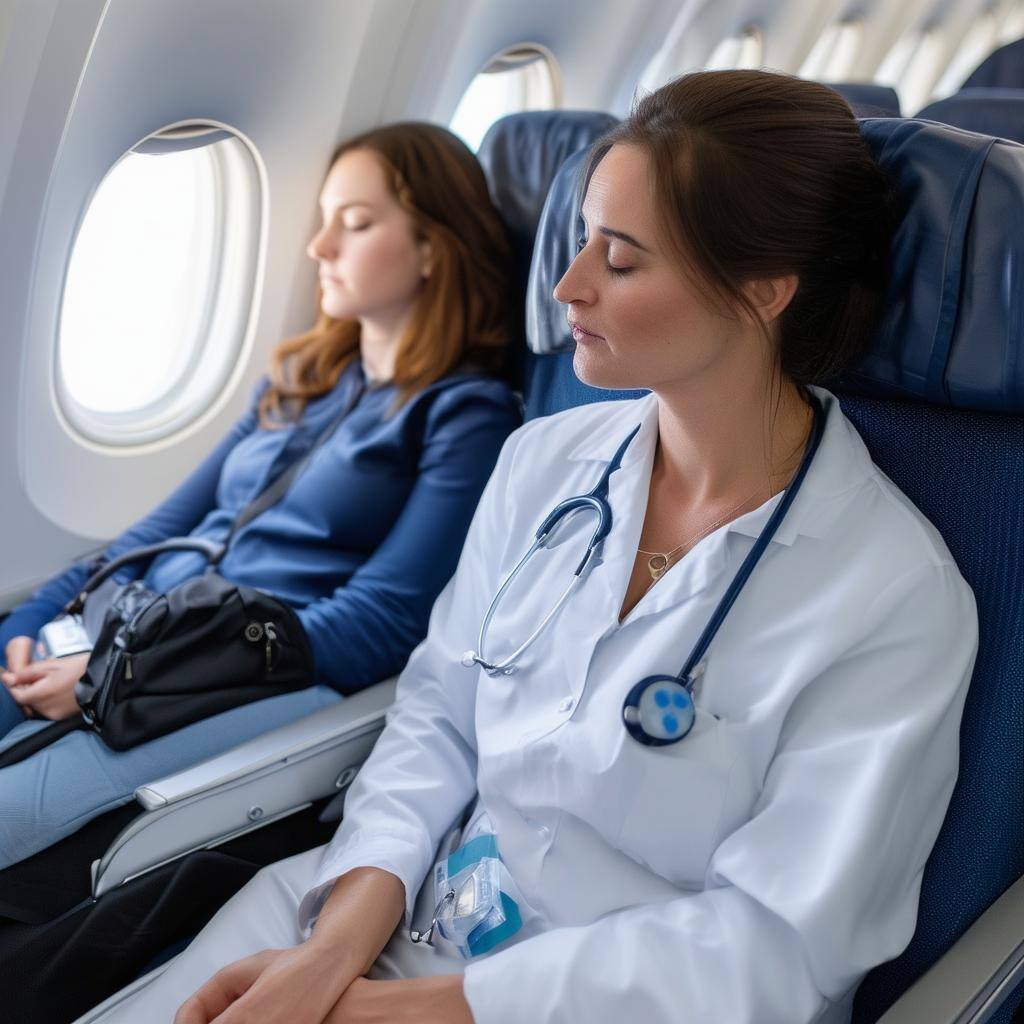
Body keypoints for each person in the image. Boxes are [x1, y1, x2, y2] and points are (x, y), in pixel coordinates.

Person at [87, 71, 978, 1024]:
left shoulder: (893, 595)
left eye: (623, 260)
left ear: (762, 292)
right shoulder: (545, 464)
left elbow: (774, 952)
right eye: (584, 236)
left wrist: (390, 1012)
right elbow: (437, 716)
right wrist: (335, 946)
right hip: (397, 915)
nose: (567, 284)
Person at [0, 122, 522, 869]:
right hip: (124, 630)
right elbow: (152, 535)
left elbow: (381, 622)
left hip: (232, 675)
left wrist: (122, 678)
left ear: (435, 248)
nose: (319, 248)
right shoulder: (297, 384)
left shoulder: (468, 416)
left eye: (357, 223)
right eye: (323, 222)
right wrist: (32, 616)